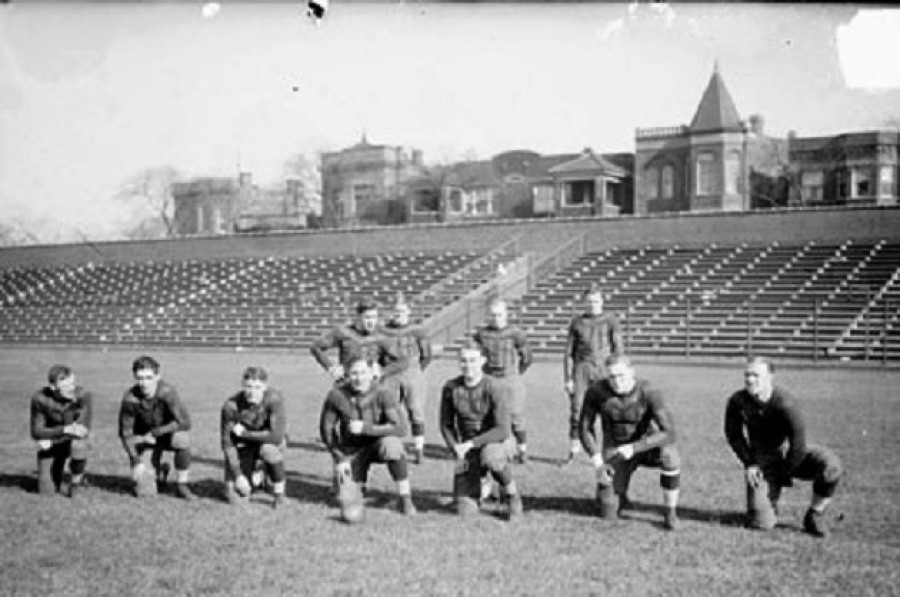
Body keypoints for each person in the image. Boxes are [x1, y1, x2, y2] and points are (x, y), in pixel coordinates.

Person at [724, 357, 843, 537]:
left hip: (791, 454)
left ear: (770, 377)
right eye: (747, 375)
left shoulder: (786, 402)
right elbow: (734, 435)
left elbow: (798, 441)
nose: (750, 380)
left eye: (756, 375)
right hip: (762, 460)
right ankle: (767, 505)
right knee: (761, 523)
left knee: (832, 466)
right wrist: (750, 463)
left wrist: (786, 472)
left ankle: (815, 515)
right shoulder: (737, 401)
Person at [579, 355, 681, 530]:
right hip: (616, 450)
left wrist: (635, 447)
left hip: (646, 445)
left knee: (670, 455)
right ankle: (620, 494)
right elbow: (584, 428)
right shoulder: (596, 392)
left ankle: (670, 511)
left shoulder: (649, 391)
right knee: (607, 510)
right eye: (612, 377)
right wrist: (598, 462)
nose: (617, 381)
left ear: (632, 372)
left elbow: (669, 433)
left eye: (621, 375)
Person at [319, 356, 416, 516]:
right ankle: (357, 485)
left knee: (393, 446)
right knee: (344, 500)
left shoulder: (383, 393)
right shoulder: (336, 396)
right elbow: (327, 430)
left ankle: (405, 498)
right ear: (347, 375)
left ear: (371, 373)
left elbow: (401, 428)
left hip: (379, 444)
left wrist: (366, 428)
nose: (359, 378)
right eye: (354, 373)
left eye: (363, 373)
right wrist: (339, 457)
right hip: (352, 449)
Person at [440, 343, 523, 520]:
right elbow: (445, 424)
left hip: (498, 441)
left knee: (491, 457)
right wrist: (455, 448)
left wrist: (471, 444)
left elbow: (503, 429)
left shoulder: (495, 387)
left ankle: (512, 496)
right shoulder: (451, 388)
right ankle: (481, 485)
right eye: (463, 360)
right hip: (468, 448)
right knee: (464, 511)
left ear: (482, 361)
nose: (468, 365)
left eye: (472, 360)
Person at [118, 355, 195, 500]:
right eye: (140, 378)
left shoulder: (167, 393)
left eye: (148, 377)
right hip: (146, 441)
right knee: (145, 493)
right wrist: (135, 460)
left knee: (182, 439)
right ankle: (160, 473)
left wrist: (156, 432)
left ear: (158, 376)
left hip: (166, 436)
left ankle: (182, 485)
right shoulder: (130, 398)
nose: (144, 383)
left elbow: (185, 422)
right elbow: (125, 433)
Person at [563, 284, 622, 462]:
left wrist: (619, 371)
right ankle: (574, 450)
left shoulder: (610, 320)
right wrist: (568, 379)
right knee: (577, 410)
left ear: (602, 301)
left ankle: (610, 451)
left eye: (596, 301)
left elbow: (618, 347)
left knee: (609, 410)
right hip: (582, 369)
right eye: (589, 301)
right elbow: (568, 353)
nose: (593, 304)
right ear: (584, 302)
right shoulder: (577, 322)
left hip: (604, 368)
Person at [473, 298, 532, 464]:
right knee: (487, 415)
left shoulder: (516, 333)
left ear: (506, 314)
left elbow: (527, 358)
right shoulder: (481, 335)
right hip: (489, 378)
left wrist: (516, 373)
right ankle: (486, 448)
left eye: (499, 314)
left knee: (516, 416)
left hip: (510, 378)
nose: (496, 318)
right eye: (493, 315)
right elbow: (474, 355)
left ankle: (522, 450)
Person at [220, 366, 287, 509]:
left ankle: (279, 494)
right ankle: (257, 473)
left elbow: (276, 436)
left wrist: (245, 434)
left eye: (257, 387)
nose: (252, 392)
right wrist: (238, 475)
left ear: (265, 387)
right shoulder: (231, 406)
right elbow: (227, 444)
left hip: (267, 442)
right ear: (242, 386)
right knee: (235, 497)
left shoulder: (274, 399)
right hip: (243, 447)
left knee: (270, 451)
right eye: (248, 387)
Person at [381, 293, 433, 464]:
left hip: (412, 372)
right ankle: (393, 447)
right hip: (390, 374)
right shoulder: (384, 330)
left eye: (402, 311)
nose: (399, 314)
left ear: (409, 312)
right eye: (396, 311)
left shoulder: (417, 330)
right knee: (390, 410)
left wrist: (416, 370)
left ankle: (419, 450)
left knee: (416, 411)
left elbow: (427, 355)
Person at [310, 299, 408, 385]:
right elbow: (316, 347)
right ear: (357, 317)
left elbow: (403, 361)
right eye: (367, 317)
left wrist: (382, 371)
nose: (371, 321)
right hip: (346, 384)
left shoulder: (382, 336)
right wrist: (330, 367)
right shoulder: (343, 332)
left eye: (374, 317)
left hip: (371, 388)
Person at [30, 365, 92, 498]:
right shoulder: (39, 399)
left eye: (73, 384)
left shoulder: (83, 396)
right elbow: (36, 431)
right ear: (53, 387)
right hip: (53, 443)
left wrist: (51, 439)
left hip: (62, 440)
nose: (72, 388)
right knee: (46, 491)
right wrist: (65, 429)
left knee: (79, 445)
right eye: (67, 386)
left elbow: (81, 430)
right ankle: (56, 474)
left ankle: (77, 479)